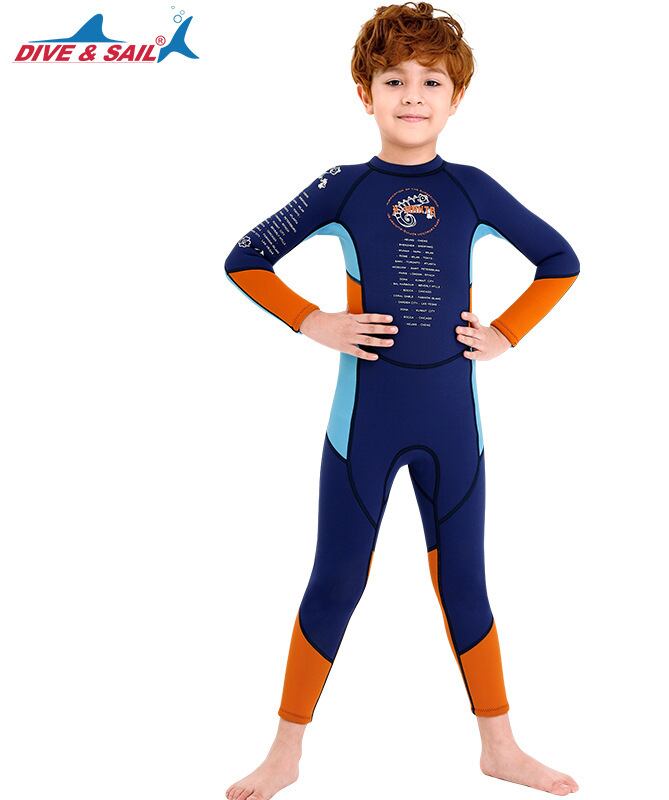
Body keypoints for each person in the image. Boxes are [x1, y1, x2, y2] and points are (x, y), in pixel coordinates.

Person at [223, 3, 580, 797]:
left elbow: (559, 260)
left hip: (454, 423)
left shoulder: (471, 189)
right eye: (394, 80)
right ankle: (285, 752)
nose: (412, 94)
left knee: (466, 583)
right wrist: (314, 321)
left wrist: (508, 332)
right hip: (365, 423)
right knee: (336, 579)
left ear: (456, 98)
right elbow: (246, 258)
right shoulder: (344, 188)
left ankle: (500, 747)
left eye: (431, 81)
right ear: (365, 93)